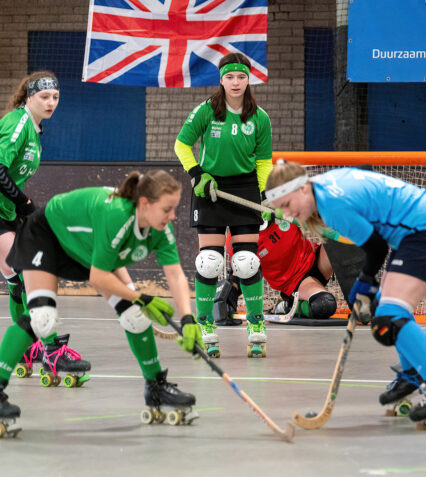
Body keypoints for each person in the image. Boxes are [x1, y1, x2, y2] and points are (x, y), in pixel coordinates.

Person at [264, 161, 426, 427]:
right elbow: (366, 179)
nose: (287, 213)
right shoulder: (323, 186)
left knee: (391, 316)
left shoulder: (331, 206)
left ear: (302, 188)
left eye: (287, 204)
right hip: (414, 232)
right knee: (390, 310)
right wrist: (368, 283)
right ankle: (412, 373)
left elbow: (376, 248)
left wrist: (365, 281)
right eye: (281, 208)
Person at [0, 170, 204, 436]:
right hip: (46, 233)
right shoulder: (118, 216)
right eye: (167, 209)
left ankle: (156, 387)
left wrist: (188, 318)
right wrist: (141, 297)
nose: (173, 216)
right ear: (144, 203)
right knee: (42, 318)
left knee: (134, 316)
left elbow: (175, 274)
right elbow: (98, 277)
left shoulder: (159, 228)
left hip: (85, 246)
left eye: (174, 209)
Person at [174, 52, 273, 357]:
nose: (235, 82)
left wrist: (260, 194)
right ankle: (204, 324)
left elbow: (264, 161)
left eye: (241, 76)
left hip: (245, 188)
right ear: (221, 80)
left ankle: (255, 323)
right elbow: (181, 145)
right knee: (209, 262)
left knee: (246, 261)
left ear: (249, 79)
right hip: (210, 187)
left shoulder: (260, 117)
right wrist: (197, 174)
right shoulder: (206, 110)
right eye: (229, 77)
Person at [0, 72, 87, 377]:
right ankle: (52, 351)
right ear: (29, 97)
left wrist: (20, 210)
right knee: (28, 277)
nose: (51, 102)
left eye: (55, 97)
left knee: (17, 282)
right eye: (44, 97)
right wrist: (24, 203)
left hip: (6, 211)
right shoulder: (18, 123)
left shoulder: (35, 129)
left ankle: (27, 346)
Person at [220, 212, 337, 322]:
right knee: (324, 305)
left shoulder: (283, 208)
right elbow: (240, 273)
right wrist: (228, 297)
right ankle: (287, 305)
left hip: (317, 258)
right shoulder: (239, 237)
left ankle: (350, 297)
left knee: (343, 232)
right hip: (296, 282)